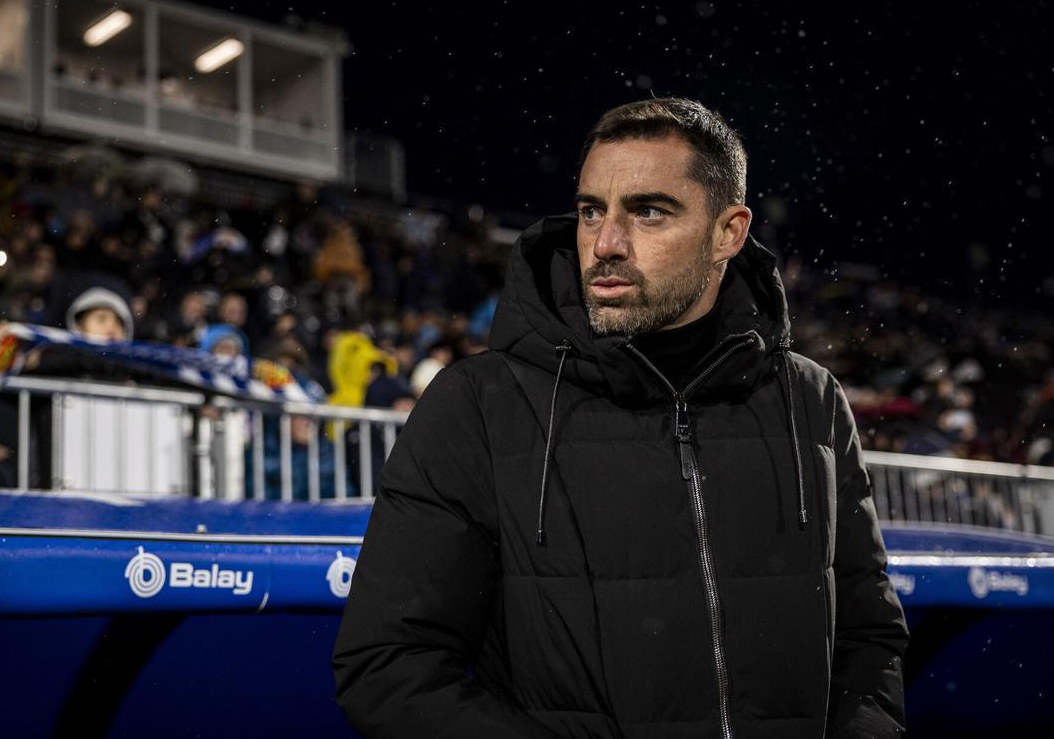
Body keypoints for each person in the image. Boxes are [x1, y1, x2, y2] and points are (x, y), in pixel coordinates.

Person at [333, 98, 908, 738]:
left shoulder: (812, 399)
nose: (605, 244)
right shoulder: (476, 404)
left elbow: (868, 639)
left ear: (728, 232)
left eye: (648, 211)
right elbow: (389, 665)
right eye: (591, 212)